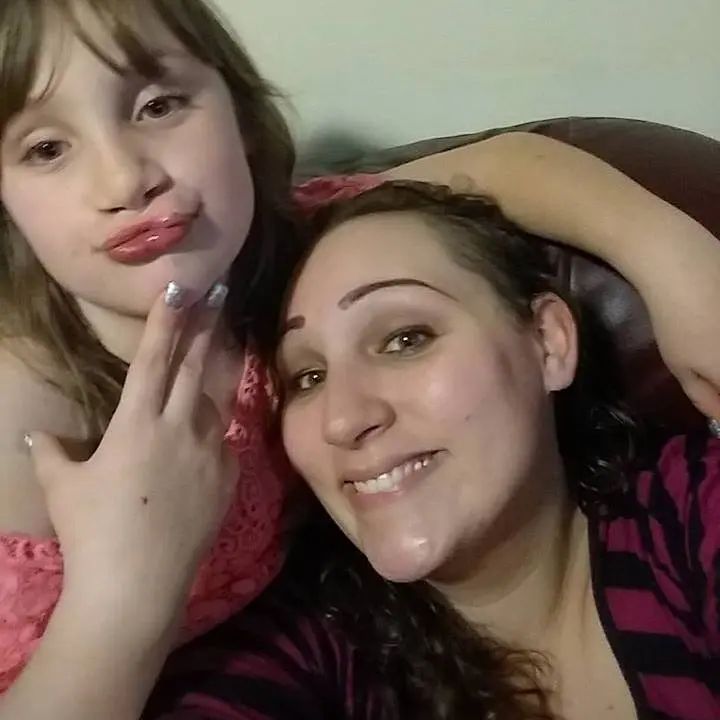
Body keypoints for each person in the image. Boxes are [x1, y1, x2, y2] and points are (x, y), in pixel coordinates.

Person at [1, 0, 720, 716]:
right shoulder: (21, 405)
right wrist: (124, 599)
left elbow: (497, 166)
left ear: (240, 115)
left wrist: (674, 257)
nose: (123, 181)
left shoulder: (294, 250)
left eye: (159, 105)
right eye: (45, 149)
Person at [275, 180, 720, 719]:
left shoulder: (688, 511)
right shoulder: (298, 652)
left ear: (548, 342)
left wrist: (657, 242)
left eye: (406, 339)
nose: (343, 419)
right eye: (308, 377)